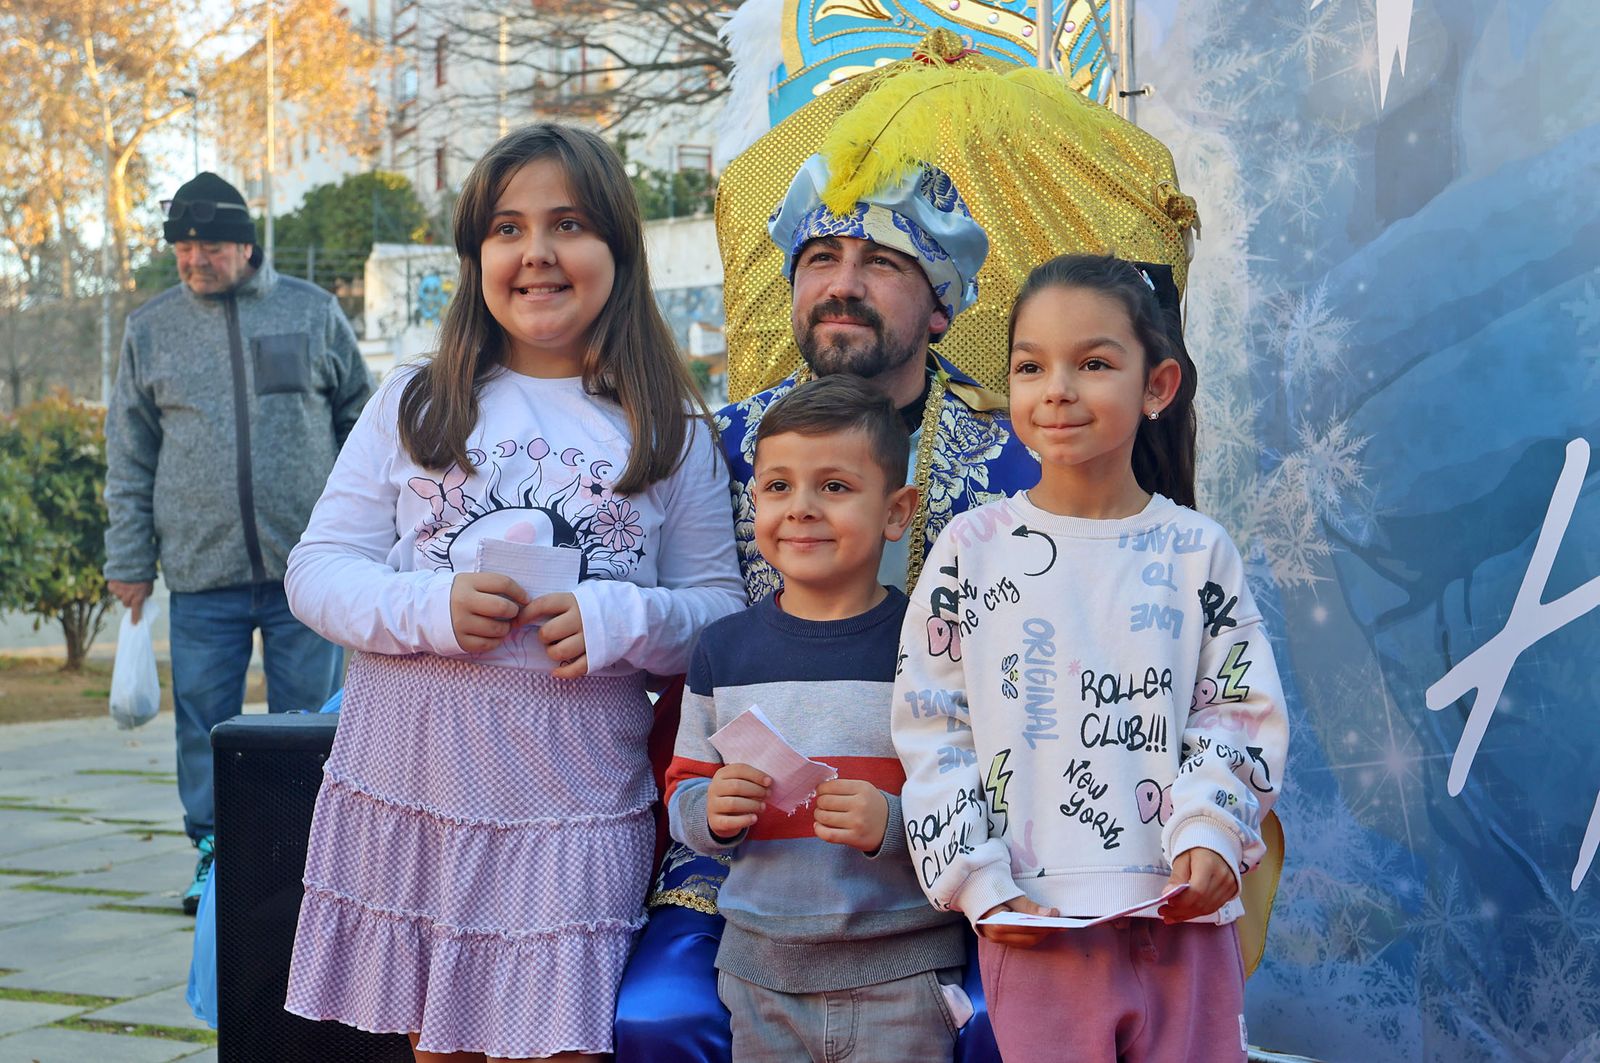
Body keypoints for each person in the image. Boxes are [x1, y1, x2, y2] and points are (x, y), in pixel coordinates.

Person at [280, 124, 745, 1062]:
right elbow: (316, 573)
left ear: (618, 246)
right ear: (476, 256)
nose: (536, 252)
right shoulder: (412, 401)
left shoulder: (671, 429)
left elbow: (720, 617)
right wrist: (429, 606)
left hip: (569, 802)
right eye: (506, 228)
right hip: (418, 789)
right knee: (439, 1047)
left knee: (565, 1044)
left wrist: (622, 618)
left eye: (569, 223)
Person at [615, 153, 1030, 1063]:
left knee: (1015, 1023)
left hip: (960, 853)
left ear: (942, 304)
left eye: (881, 261)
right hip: (742, 862)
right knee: (653, 1017)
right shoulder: (719, 449)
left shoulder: (1017, 467)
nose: (842, 285)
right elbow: (666, 634)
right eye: (820, 258)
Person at [892, 254, 1290, 1062]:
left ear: (1157, 386)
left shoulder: (1196, 549)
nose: (1058, 388)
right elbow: (933, 728)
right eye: (1031, 365)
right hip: (1033, 923)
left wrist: (1212, 829)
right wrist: (977, 880)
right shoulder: (971, 550)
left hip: (1182, 921)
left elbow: (1235, 708)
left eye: (1094, 363)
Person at [666, 375, 970, 1062]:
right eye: (778, 487)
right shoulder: (722, 649)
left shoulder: (930, 648)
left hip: (905, 969)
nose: (800, 509)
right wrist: (711, 809)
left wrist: (892, 823)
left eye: (834, 486)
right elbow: (683, 793)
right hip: (760, 977)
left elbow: (972, 798)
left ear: (896, 512)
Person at [103, 171, 371, 913]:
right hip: (200, 570)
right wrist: (128, 560)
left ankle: (308, 859)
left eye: (209, 245)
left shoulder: (312, 312)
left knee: (311, 718)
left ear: (246, 243)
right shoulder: (149, 329)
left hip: (307, 573)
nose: (193, 260)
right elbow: (129, 454)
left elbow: (365, 427)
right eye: (182, 247)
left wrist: (368, 536)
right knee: (206, 724)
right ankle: (213, 854)